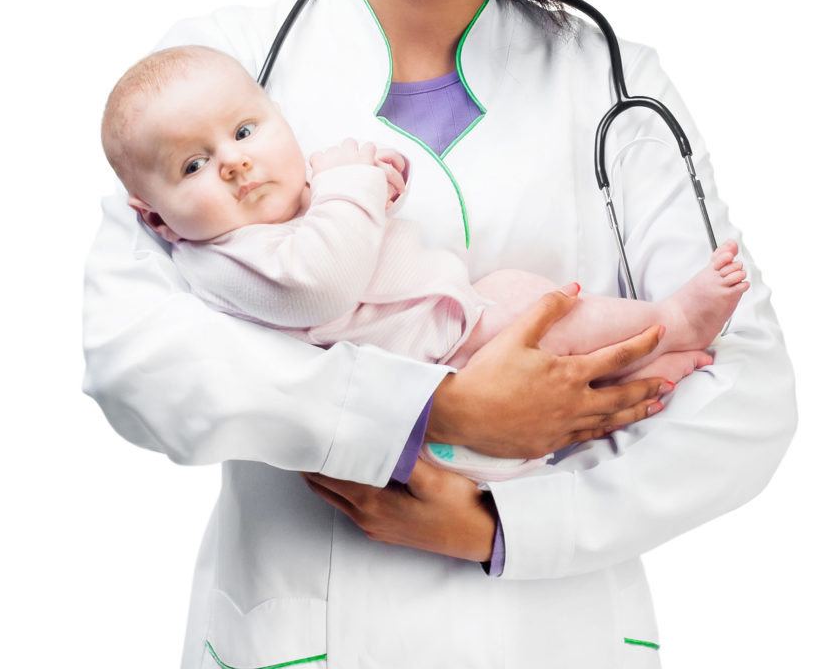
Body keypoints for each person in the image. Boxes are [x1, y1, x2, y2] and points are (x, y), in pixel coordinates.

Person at [83, 0, 795, 668]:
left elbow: (748, 395)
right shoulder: (217, 74)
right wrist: (428, 410)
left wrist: (503, 524)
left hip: (555, 629)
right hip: (308, 630)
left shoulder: (617, 85)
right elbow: (138, 359)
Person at [100, 42, 749, 484]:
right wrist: (351, 178)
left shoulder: (276, 206)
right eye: (193, 165)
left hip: (450, 320)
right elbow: (321, 281)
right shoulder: (223, 257)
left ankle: (636, 366)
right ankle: (670, 321)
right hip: (432, 366)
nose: (234, 162)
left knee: (531, 305)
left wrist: (375, 177)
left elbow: (347, 215)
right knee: (545, 320)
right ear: (155, 218)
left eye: (244, 132)